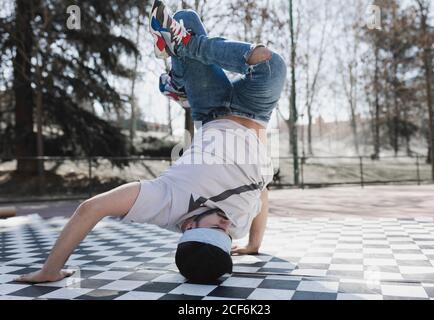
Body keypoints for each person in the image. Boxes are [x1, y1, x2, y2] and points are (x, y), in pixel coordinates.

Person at [16, 0, 287, 285]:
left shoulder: (166, 203)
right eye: (227, 234)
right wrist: (253, 244)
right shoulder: (238, 225)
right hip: (255, 112)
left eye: (217, 228)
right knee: (271, 64)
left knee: (185, 18)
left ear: (189, 226)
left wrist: (50, 269)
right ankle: (180, 75)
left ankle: (182, 66)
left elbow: (91, 208)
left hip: (211, 109)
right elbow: (262, 194)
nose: (227, 224)